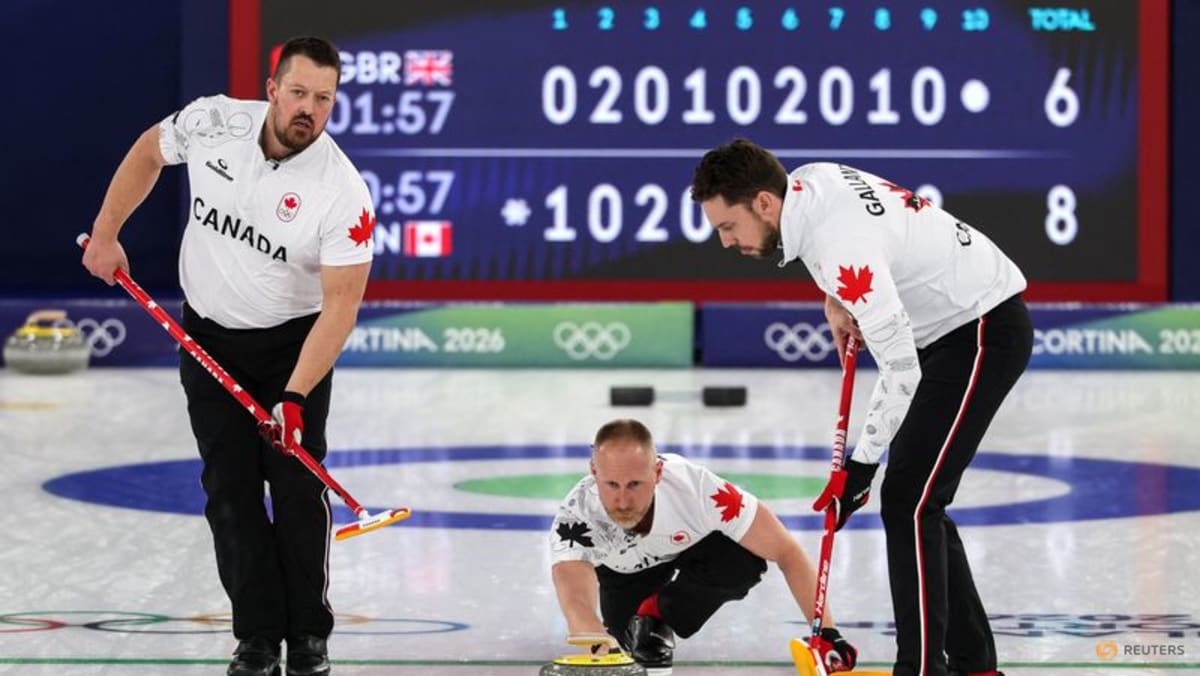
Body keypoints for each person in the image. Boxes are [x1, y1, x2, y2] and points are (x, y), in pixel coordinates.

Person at [82, 36, 375, 676]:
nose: (308, 109)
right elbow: (146, 153)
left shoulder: (342, 190)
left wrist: (294, 396)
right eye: (298, 92)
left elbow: (342, 305)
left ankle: (308, 637)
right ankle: (257, 637)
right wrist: (107, 233)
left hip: (293, 351)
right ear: (272, 89)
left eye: (323, 99)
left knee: (297, 488)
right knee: (230, 492)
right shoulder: (216, 121)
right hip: (207, 339)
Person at [690, 139, 1031, 676]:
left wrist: (859, 467)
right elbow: (853, 235)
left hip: (981, 329)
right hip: (947, 327)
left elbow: (900, 371)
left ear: (762, 203)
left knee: (908, 501)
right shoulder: (807, 183)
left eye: (727, 226)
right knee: (920, 500)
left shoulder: (841, 245)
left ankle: (920, 669)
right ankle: (976, 666)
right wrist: (837, 298)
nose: (725, 241)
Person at [549, 418, 858, 674]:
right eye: (611, 484)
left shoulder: (699, 491)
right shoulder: (577, 515)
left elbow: (787, 551)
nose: (623, 500)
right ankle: (636, 622)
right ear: (594, 473)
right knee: (629, 641)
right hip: (623, 572)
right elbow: (575, 597)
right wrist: (600, 645)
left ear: (657, 473)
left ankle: (658, 612)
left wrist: (827, 631)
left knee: (742, 562)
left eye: (635, 484)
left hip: (689, 550)